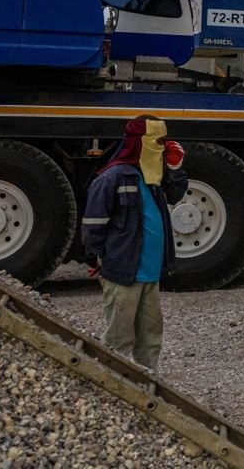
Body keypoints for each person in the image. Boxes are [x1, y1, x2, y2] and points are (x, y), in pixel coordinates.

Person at [81, 115, 187, 370]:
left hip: (150, 274)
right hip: (123, 273)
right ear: (141, 142)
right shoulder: (113, 178)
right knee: (119, 338)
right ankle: (111, 384)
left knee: (151, 337)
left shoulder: (153, 179)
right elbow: (93, 227)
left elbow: (175, 195)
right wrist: (100, 257)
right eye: (158, 141)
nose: (163, 146)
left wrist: (175, 168)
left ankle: (148, 384)